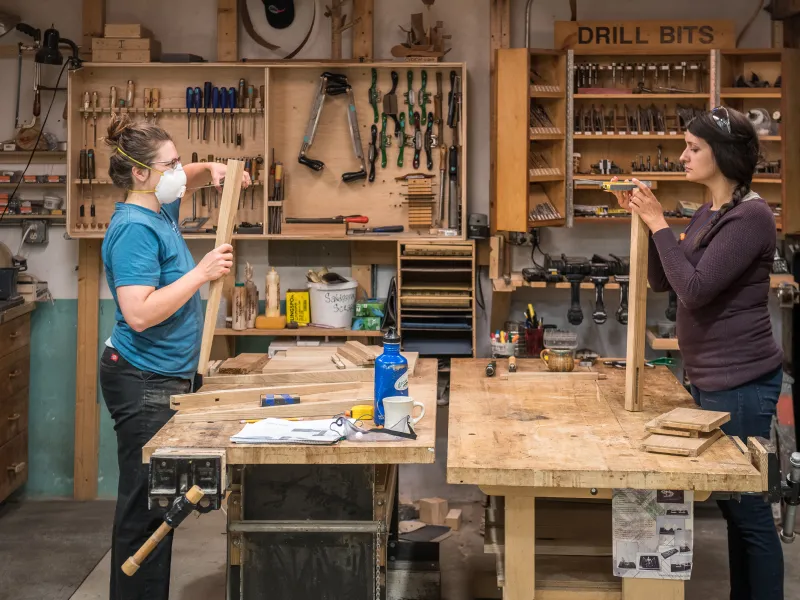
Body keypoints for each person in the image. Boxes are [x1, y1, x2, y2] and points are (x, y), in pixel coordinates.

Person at [612, 106, 784, 600]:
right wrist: (649, 227)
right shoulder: (712, 211)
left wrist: (659, 222)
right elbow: (665, 278)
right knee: (733, 506)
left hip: (744, 382)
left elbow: (694, 289)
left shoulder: (751, 217)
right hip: (712, 377)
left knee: (749, 512)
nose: (683, 155)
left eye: (694, 148)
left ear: (723, 155)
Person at [99, 113, 250, 600]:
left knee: (159, 506)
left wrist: (215, 170)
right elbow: (138, 313)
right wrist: (202, 272)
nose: (180, 172)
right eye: (170, 164)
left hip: (165, 373)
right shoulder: (134, 228)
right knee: (146, 511)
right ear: (141, 174)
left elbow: (191, 176)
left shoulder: (160, 207)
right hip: (142, 378)